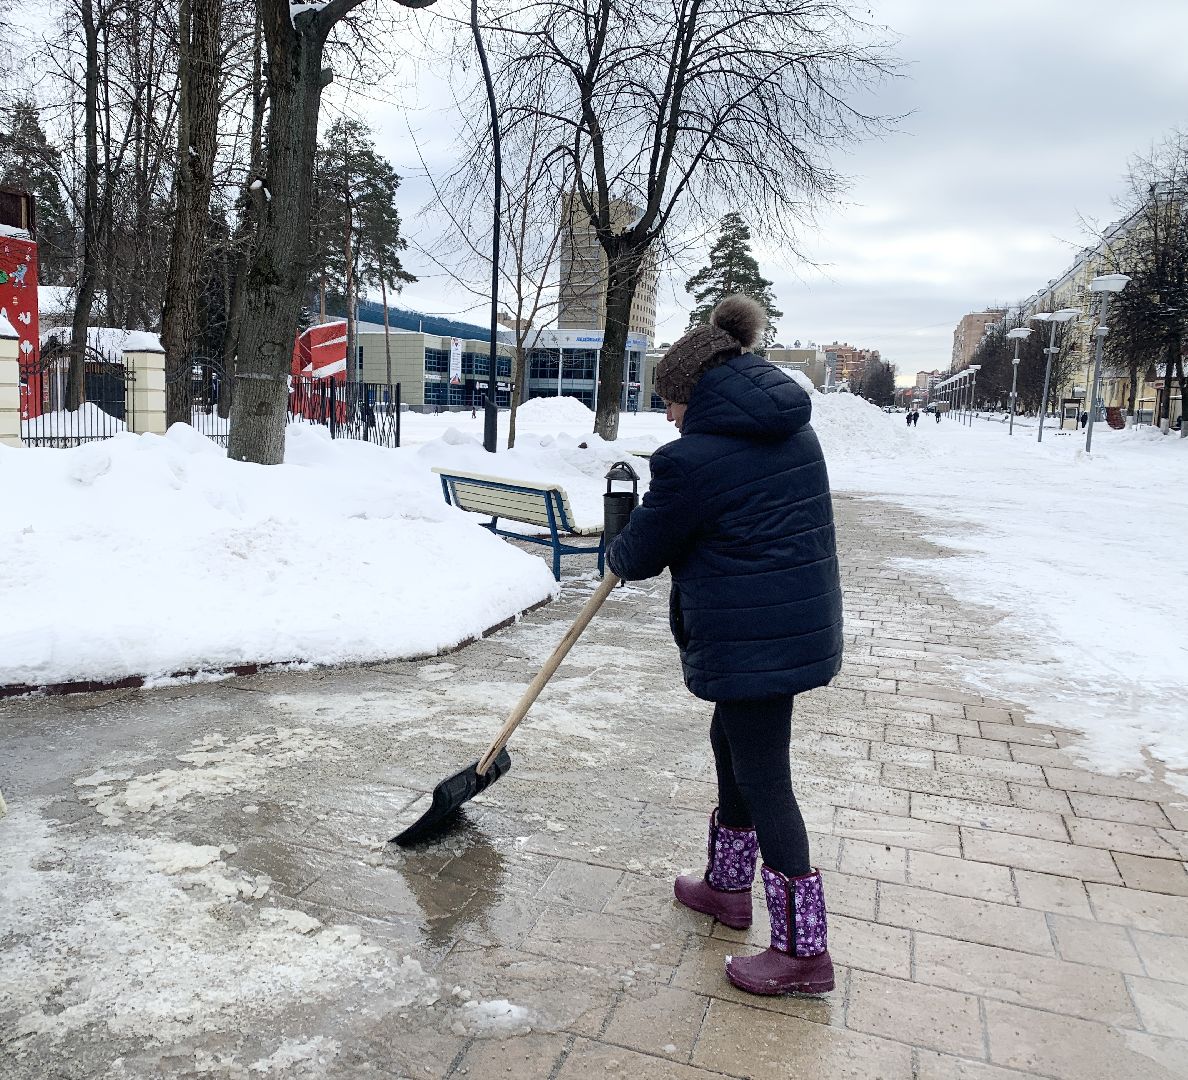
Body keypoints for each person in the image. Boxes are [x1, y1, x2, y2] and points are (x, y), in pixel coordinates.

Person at [607, 295, 842, 997]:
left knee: (766, 775)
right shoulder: (795, 433)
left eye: (671, 402)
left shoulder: (692, 460)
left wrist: (618, 541)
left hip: (751, 638)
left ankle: (804, 952)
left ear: (695, 391)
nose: (669, 417)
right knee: (731, 743)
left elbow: (639, 556)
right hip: (792, 626)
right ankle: (727, 886)